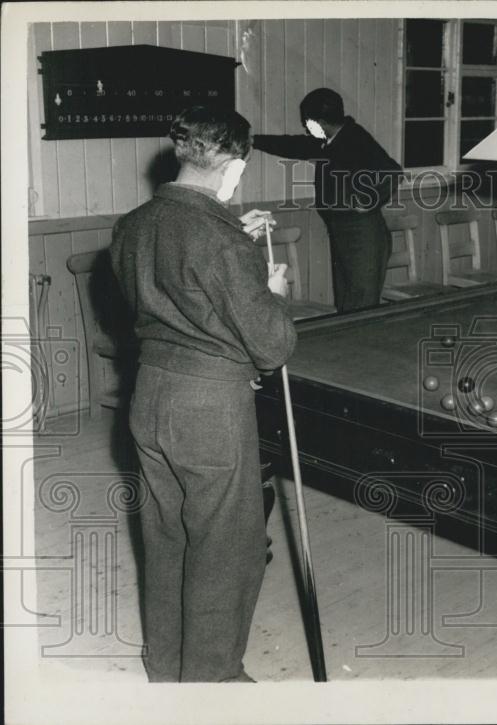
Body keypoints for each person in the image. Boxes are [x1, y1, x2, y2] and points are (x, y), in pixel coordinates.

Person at [110, 106, 297, 682]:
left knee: (166, 539)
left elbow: (176, 272)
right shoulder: (220, 241)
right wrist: (272, 292)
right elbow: (272, 345)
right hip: (209, 407)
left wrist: (234, 245)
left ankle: (166, 668)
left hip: (148, 396)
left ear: (183, 155)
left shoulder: (136, 223)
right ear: (235, 166)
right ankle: (212, 683)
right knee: (227, 548)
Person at [253, 87, 403, 312]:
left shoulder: (354, 139)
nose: (305, 127)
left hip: (362, 233)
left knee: (360, 305)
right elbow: (296, 145)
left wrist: (367, 203)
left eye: (307, 123)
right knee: (346, 302)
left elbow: (392, 172)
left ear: (321, 122)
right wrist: (254, 140)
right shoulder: (331, 140)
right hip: (342, 230)